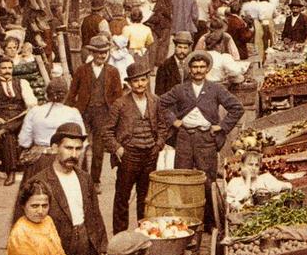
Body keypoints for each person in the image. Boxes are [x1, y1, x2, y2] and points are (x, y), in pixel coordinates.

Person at [11, 122, 106, 255]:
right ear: (55, 148)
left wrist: (102, 246)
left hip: (83, 244)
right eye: (68, 148)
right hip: (53, 246)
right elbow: (20, 221)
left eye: (78, 149)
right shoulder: (39, 182)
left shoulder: (84, 178)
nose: (74, 154)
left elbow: (94, 214)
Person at [158, 49, 244, 218]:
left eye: (202, 67)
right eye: (195, 67)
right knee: (183, 178)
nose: (198, 70)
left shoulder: (215, 89)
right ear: (189, 70)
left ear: (207, 69)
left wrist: (221, 126)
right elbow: (161, 104)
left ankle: (209, 220)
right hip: (184, 138)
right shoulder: (180, 89)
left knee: (207, 180)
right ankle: (185, 218)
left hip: (206, 139)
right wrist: (174, 121)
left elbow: (237, 108)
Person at [107, 61, 165, 232]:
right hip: (129, 155)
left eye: (143, 80)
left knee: (145, 198)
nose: (140, 84)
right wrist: (117, 148)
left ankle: (143, 234)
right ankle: (120, 237)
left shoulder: (155, 101)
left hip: (150, 155)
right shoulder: (120, 104)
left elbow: (162, 126)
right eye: (135, 81)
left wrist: (159, 145)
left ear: (147, 80)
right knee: (122, 198)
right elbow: (107, 131)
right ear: (130, 84)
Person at [67, 34, 123, 188]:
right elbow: (72, 93)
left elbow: (118, 96)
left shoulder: (113, 72)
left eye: (105, 52)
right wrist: (67, 112)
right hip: (83, 112)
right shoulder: (81, 70)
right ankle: (79, 177)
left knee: (98, 148)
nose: (102, 55)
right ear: (91, 53)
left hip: (102, 114)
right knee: (80, 145)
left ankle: (95, 181)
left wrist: (117, 115)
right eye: (98, 52)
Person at [0, 57, 37, 186]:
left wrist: (28, 110)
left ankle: (0, 133)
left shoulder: (22, 83)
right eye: (4, 68)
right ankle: (11, 172)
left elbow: (32, 103)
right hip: (2, 120)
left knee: (27, 117)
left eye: (10, 68)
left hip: (20, 119)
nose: (7, 71)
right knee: (9, 136)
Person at [17, 79, 85, 169]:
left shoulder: (34, 111)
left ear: (46, 94)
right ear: (66, 95)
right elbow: (82, 141)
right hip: (63, 160)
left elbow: (24, 141)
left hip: (38, 160)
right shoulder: (72, 113)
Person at [227, 149, 294, 212]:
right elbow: (233, 206)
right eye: (250, 164)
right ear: (242, 165)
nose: (253, 168)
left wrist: (273, 192)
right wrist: (248, 179)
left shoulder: (264, 179)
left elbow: (288, 186)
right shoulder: (235, 182)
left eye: (256, 165)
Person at [155, 32, 193, 97]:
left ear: (189, 49)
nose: (182, 51)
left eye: (185, 48)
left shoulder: (192, 65)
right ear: (175, 47)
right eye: (180, 47)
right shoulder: (164, 66)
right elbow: (159, 91)